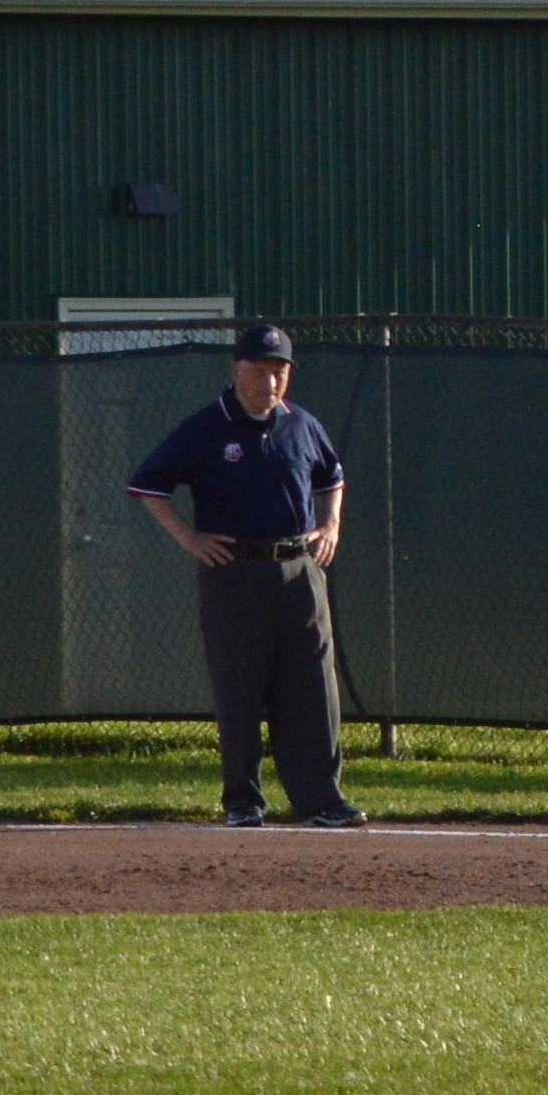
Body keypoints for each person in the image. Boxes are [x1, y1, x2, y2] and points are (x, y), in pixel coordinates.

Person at [127, 325, 365, 829]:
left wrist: (331, 525)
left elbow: (332, 477)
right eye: (259, 370)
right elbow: (148, 484)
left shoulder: (301, 424)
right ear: (236, 371)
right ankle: (243, 801)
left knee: (313, 687)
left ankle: (321, 800)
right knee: (240, 687)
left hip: (301, 569)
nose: (270, 381)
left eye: (279, 371)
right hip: (235, 571)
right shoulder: (205, 429)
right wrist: (189, 537)